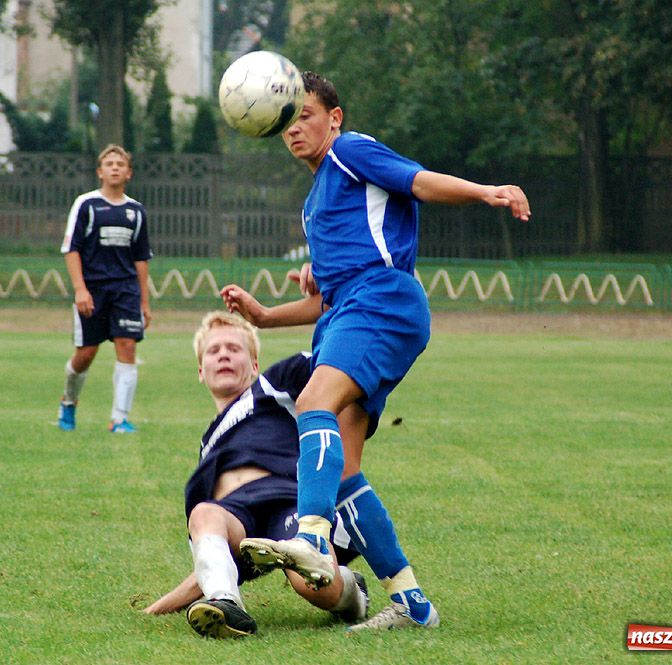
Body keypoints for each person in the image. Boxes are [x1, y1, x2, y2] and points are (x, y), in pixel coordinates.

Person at [221, 71, 531, 631]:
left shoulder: (350, 151)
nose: (295, 130)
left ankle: (311, 532)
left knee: (312, 403)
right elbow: (327, 300)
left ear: (334, 119)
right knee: (345, 472)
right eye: (287, 121)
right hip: (352, 312)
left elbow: (418, 181)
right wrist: (266, 315)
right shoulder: (316, 199)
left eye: (306, 116)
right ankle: (413, 606)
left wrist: (485, 191)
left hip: (381, 302)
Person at [143, 311, 369, 638]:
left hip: (291, 500)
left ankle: (352, 592)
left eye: (234, 349)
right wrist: (156, 610)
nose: (223, 354)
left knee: (310, 586)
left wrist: (332, 299)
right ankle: (225, 604)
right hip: (240, 518)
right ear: (200, 371)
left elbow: (336, 364)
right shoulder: (208, 446)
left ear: (254, 366)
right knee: (205, 513)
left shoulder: (274, 384)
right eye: (213, 350)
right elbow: (218, 563)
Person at [57, 145, 152, 433]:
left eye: (120, 164)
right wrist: (80, 289)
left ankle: (119, 419)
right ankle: (69, 401)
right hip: (93, 290)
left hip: (125, 290)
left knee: (127, 346)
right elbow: (71, 249)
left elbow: (141, 258)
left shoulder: (136, 211)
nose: (114, 167)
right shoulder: (86, 205)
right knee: (86, 353)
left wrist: (145, 303)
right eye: (108, 163)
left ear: (129, 173)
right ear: (100, 172)